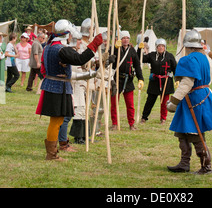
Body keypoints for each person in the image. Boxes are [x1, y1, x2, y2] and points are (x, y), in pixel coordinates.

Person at [35, 19, 103, 161]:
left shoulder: (49, 46)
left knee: (57, 121)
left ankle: (53, 153)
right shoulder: (61, 49)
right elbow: (79, 59)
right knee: (56, 121)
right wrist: (95, 44)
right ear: (68, 35)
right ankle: (51, 155)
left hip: (56, 86)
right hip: (57, 88)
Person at [166, 29, 212, 175]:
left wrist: (174, 102)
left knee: (195, 133)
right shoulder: (205, 57)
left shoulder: (190, 59)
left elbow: (186, 83)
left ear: (187, 45)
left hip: (194, 98)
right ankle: (184, 164)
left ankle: (206, 166)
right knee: (182, 131)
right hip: (199, 95)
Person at [110, 30, 144, 130]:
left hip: (128, 80)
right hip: (116, 80)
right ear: (120, 39)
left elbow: (137, 66)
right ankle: (115, 124)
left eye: (127, 38)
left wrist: (140, 79)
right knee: (114, 104)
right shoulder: (115, 49)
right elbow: (109, 59)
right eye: (123, 38)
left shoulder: (132, 50)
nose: (125, 40)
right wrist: (115, 48)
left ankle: (131, 124)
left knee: (130, 105)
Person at [139, 38, 177, 124]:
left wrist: (177, 80)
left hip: (166, 82)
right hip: (155, 82)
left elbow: (175, 69)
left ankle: (163, 118)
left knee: (165, 102)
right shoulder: (152, 55)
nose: (161, 48)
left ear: (165, 47)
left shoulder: (169, 56)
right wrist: (139, 48)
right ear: (156, 47)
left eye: (162, 46)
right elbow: (140, 58)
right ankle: (144, 117)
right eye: (159, 46)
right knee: (150, 101)